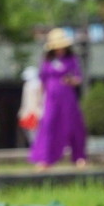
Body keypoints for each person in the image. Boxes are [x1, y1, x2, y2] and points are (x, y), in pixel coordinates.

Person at [29, 28, 87, 169]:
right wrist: (38, 98)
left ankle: (79, 157)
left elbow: (78, 79)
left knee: (73, 125)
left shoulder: (71, 60)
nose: (60, 50)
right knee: (48, 125)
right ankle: (45, 159)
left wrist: (70, 80)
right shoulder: (47, 61)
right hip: (51, 98)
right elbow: (42, 80)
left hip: (67, 98)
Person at [17, 66, 43, 146]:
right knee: (31, 132)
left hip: (36, 113)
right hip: (30, 112)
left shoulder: (38, 85)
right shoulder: (28, 86)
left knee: (36, 132)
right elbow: (25, 102)